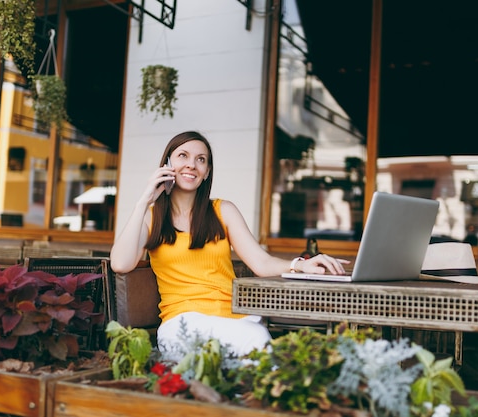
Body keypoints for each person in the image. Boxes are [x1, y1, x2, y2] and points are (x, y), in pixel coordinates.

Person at [110, 131, 349, 359]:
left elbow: (261, 263)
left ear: (206, 172)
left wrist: (301, 265)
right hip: (182, 324)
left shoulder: (223, 211)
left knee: (255, 349)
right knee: (256, 343)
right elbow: (120, 264)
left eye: (200, 159)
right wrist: (144, 200)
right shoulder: (152, 217)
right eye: (183, 156)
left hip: (236, 318)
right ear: (167, 163)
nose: (192, 164)